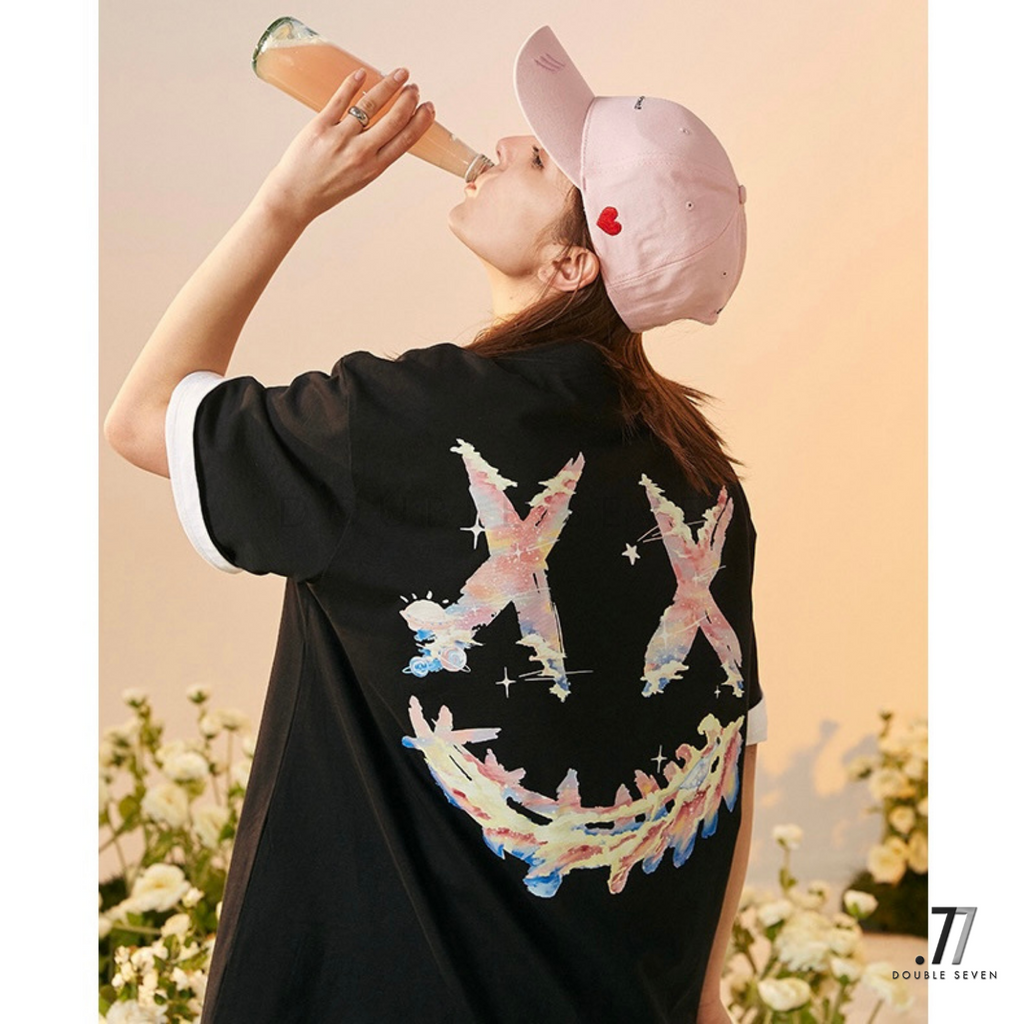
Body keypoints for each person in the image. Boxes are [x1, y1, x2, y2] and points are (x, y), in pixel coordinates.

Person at [105, 24, 765, 1024]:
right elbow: (731, 748)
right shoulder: (703, 481)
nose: (505, 143)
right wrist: (705, 1000)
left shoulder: (399, 425)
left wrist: (286, 204)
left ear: (573, 263)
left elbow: (145, 418)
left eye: (542, 161)